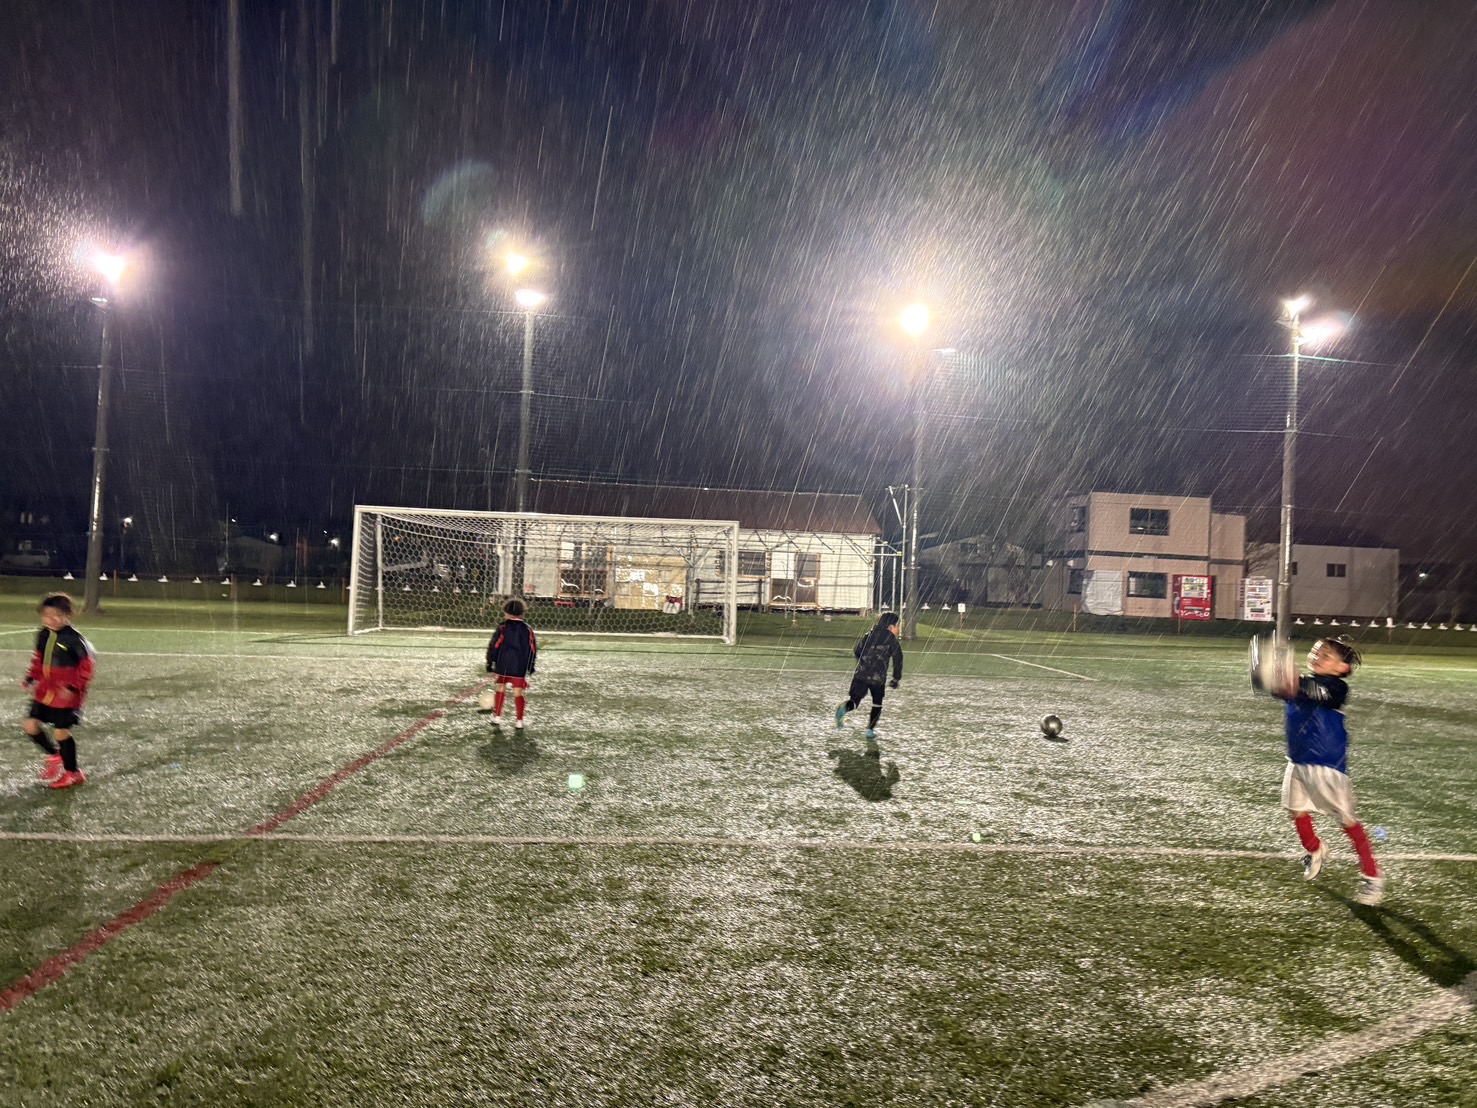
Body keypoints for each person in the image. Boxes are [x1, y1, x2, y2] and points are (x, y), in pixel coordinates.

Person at [1277, 636, 1384, 905]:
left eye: (1325, 655)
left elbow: (1320, 693)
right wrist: (1272, 678)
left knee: (1348, 821)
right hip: (1298, 761)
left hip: (1327, 766)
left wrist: (1293, 681)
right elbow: (1282, 689)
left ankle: (1372, 877)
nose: (1316, 657)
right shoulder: (1302, 684)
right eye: (1315, 652)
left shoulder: (1337, 687)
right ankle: (1315, 849)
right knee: (1295, 810)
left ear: (1342, 668)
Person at [20, 593, 95, 789]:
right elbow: (39, 659)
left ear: (68, 616)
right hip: (46, 691)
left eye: (57, 615)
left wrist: (73, 687)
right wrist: (31, 677)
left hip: (67, 695)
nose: (51, 620)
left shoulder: (74, 640)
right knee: (30, 726)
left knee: (61, 733)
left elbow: (87, 667)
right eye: (47, 615)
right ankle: (56, 756)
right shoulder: (43, 634)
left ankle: (73, 773)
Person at [834, 611, 904, 745]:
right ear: (890, 627)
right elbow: (898, 660)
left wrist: (865, 660)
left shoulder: (870, 634)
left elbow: (857, 650)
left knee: (855, 701)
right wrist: (896, 678)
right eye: (898, 626)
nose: (899, 629)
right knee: (877, 703)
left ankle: (844, 708)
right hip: (877, 679)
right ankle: (870, 730)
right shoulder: (892, 641)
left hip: (860, 675)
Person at [485, 597, 537, 729]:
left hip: (504, 664)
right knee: (518, 692)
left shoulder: (503, 627)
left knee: (500, 688)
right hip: (519, 666)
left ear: (507, 612)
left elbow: (494, 645)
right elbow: (532, 648)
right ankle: (519, 721)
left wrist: (490, 661)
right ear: (521, 613)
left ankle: (497, 718)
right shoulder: (527, 629)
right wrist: (531, 665)